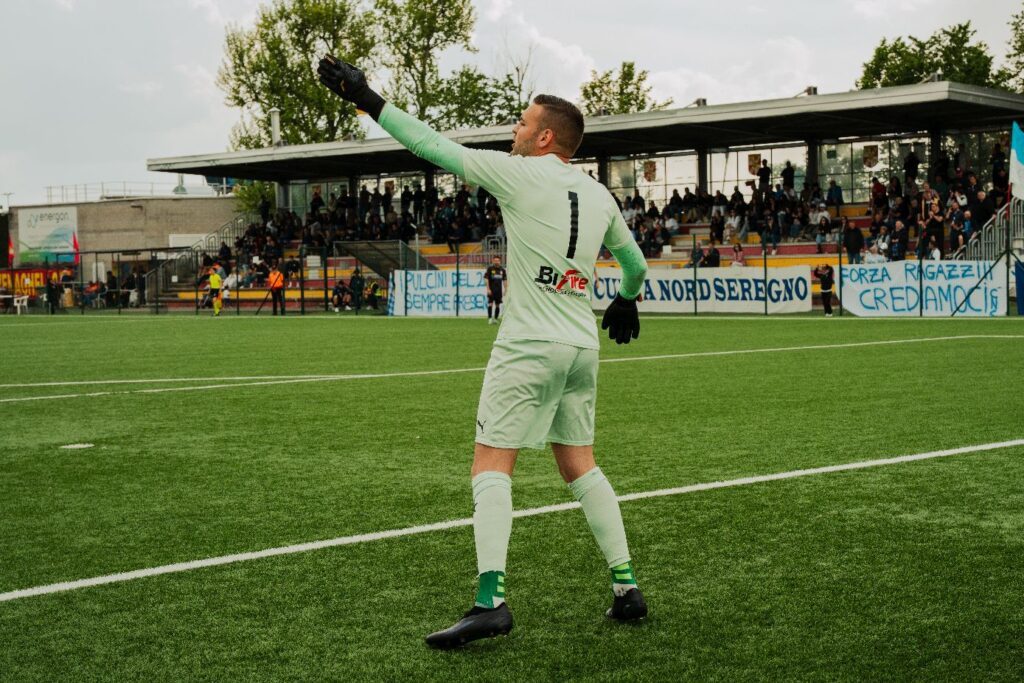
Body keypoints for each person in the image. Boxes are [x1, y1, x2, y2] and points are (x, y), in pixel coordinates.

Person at [319, 55, 649, 648]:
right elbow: (636, 265)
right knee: (581, 464)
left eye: (523, 123)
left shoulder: (519, 174)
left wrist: (366, 98)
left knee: (491, 465)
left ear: (545, 138)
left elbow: (431, 145)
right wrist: (625, 299)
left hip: (529, 345)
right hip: (580, 347)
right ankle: (627, 587)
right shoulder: (599, 195)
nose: (514, 130)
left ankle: (490, 601)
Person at [484, 255, 507, 324]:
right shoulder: (490, 269)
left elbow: (505, 280)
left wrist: (505, 289)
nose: (496, 262)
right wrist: (488, 289)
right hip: (491, 290)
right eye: (495, 261)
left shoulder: (502, 270)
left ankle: (495, 319)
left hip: (499, 291)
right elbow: (486, 279)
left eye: (498, 261)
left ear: (500, 261)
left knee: (498, 304)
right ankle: (490, 319)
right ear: (493, 261)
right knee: (490, 303)